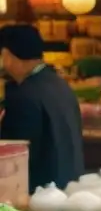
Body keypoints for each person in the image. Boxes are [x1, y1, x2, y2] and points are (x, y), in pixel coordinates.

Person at [0, 25, 84, 190]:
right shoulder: (60, 85)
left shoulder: (22, 95)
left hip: (39, 193)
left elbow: (14, 155)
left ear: (8, 55)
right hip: (67, 187)